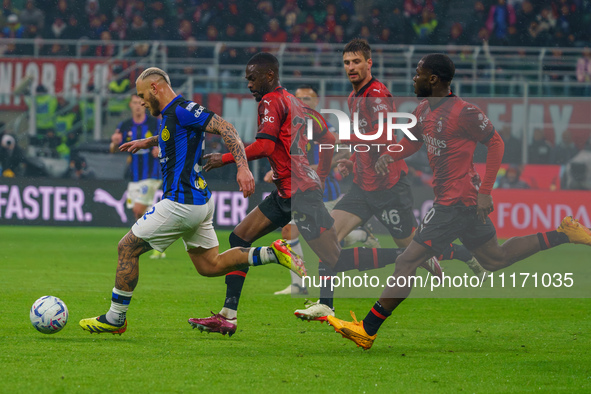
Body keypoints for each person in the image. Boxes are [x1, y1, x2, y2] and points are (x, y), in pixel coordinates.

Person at [327, 54, 591, 350]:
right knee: (495, 259)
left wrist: (486, 191)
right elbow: (413, 139)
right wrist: (392, 154)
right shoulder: (424, 109)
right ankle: (564, 234)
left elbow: (496, 142)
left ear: (434, 80)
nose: (414, 78)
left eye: (418, 74)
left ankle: (367, 328)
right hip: (456, 200)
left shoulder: (464, 112)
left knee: (407, 260)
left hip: (457, 200)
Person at [187, 53, 437, 337]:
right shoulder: (295, 102)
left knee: (334, 259)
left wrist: (228, 157)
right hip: (288, 191)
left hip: (300, 194)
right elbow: (327, 139)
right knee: (240, 236)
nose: (249, 84)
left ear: (269, 76)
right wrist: (323, 173)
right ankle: (228, 316)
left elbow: (266, 146)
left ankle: (410, 254)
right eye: (247, 79)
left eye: (253, 78)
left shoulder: (271, 101)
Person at [78, 67, 305, 335]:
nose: (140, 101)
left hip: (181, 202)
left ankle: (115, 319)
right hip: (198, 202)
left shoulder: (184, 109)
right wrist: (147, 142)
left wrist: (242, 167)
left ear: (155, 88)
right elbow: (172, 135)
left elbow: (225, 127)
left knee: (127, 247)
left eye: (141, 95)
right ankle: (273, 253)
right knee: (210, 266)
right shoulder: (170, 114)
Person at [273, 84, 376, 296]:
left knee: (328, 241)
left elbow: (345, 150)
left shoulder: (325, 125)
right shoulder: (294, 125)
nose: (302, 101)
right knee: (301, 234)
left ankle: (359, 236)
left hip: (325, 192)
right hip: (302, 192)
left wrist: (313, 168)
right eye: (298, 98)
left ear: (317, 102)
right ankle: (299, 285)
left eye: (307, 98)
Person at [110, 93, 164, 259]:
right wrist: (114, 143)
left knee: (138, 208)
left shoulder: (155, 123)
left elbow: (168, 144)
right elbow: (113, 149)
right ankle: (158, 242)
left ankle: (145, 243)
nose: (138, 105)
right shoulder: (125, 125)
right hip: (134, 176)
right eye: (134, 103)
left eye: (141, 103)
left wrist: (160, 149)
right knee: (139, 214)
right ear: (130, 105)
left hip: (152, 173)